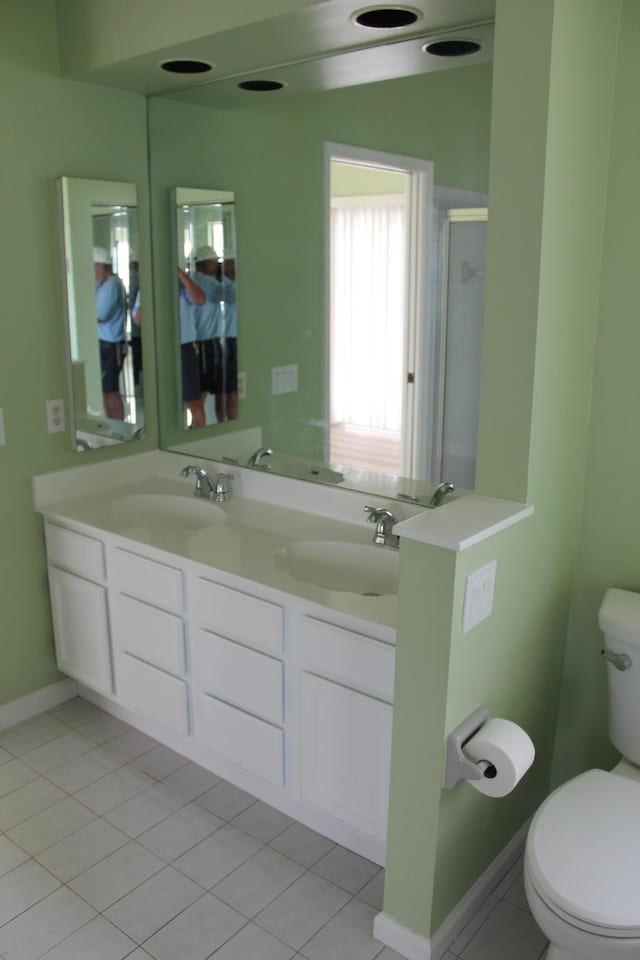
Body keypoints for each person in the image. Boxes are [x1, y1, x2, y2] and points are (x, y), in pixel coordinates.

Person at [192, 246, 224, 422]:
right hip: (206, 341)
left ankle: (196, 421)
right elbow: (229, 295)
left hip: (198, 340)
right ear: (204, 265)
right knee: (204, 383)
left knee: (203, 384)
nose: (216, 268)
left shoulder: (194, 279)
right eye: (214, 264)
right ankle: (197, 423)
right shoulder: (207, 282)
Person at [94, 247, 126, 420]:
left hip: (112, 345)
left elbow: (99, 316)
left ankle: (119, 427)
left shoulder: (112, 285)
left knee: (111, 390)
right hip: (104, 343)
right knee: (105, 390)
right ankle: (112, 427)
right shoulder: (101, 285)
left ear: (100, 267)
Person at [177, 267, 206, 428]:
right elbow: (139, 319)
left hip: (184, 348)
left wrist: (181, 275)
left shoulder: (183, 289)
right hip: (162, 351)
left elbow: (200, 299)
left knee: (193, 402)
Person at [222, 255, 239, 421]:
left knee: (234, 390)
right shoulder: (225, 286)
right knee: (228, 390)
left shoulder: (232, 286)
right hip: (228, 339)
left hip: (236, 340)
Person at [128, 256, 142, 387]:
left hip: (138, 331)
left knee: (139, 358)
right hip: (138, 329)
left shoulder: (135, 279)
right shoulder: (138, 280)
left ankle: (137, 382)